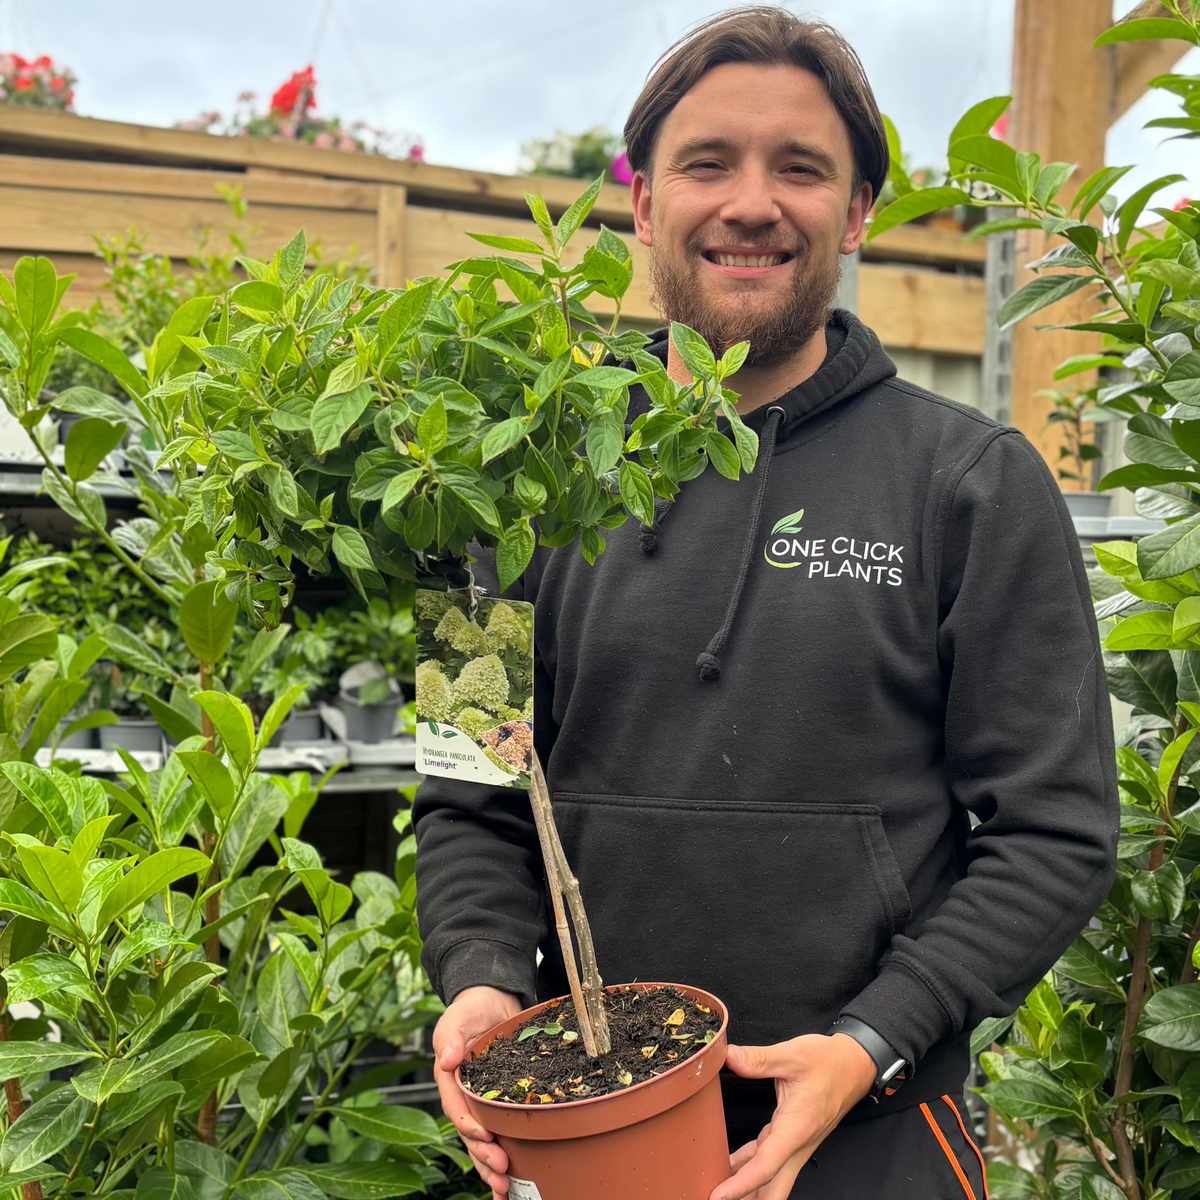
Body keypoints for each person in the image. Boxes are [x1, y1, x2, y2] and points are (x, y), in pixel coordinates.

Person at [413, 7, 1119, 1198]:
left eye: (801, 168)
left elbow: (1055, 833)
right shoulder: (508, 485)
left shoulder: (972, 486)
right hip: (586, 1131)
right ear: (642, 204)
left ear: (856, 214)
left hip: (875, 1134)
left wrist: (875, 1041)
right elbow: (467, 787)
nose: (751, 203)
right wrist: (482, 977)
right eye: (707, 163)